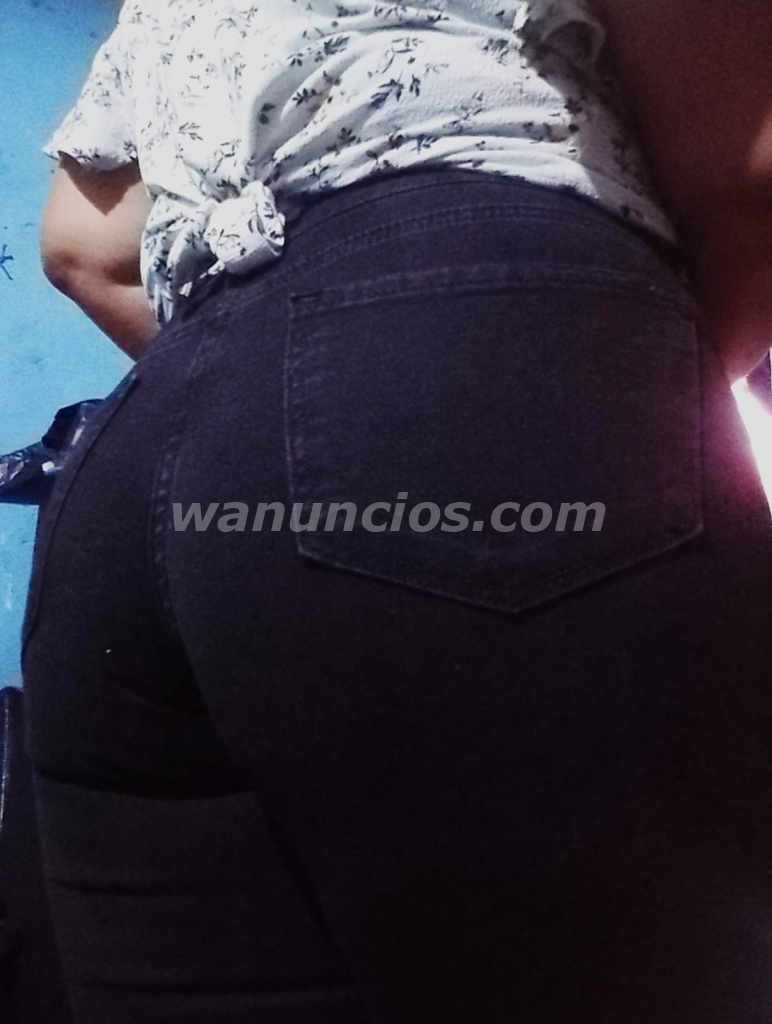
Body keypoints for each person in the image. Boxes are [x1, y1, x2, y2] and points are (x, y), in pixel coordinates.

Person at [23, 1, 772, 1021]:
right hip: (477, 336)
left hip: (131, 474)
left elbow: (81, 247)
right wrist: (592, 421)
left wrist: (280, 412)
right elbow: (747, 183)